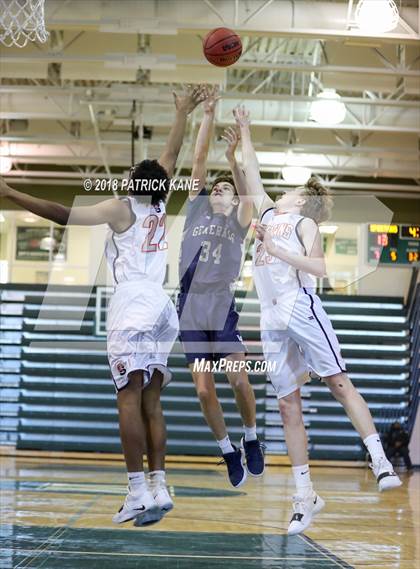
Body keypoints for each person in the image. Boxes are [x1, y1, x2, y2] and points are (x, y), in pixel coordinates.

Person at [0, 84, 206, 526]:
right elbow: (169, 158)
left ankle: (135, 491)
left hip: (133, 305)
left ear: (135, 181)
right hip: (161, 309)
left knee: (127, 400)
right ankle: (159, 487)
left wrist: (11, 193)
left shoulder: (122, 208)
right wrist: (183, 112)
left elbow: (62, 214)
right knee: (151, 401)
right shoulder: (158, 202)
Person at [233, 104, 402, 535]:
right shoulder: (270, 215)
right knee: (287, 405)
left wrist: (275, 246)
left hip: (301, 309)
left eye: (291, 191)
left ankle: (379, 459)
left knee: (339, 383)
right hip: (271, 319)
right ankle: (304, 494)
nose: (282, 192)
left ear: (303, 200)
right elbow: (250, 170)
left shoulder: (303, 224)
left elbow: (319, 269)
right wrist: (245, 128)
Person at [177, 87, 264, 488]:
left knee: (239, 379)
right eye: (217, 188)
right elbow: (196, 161)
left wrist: (233, 161)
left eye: (224, 189)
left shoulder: (238, 221)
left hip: (221, 306)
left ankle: (250, 437)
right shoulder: (196, 209)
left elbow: (248, 192)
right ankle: (227, 448)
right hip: (190, 309)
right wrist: (208, 114)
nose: (219, 191)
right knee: (202, 392)